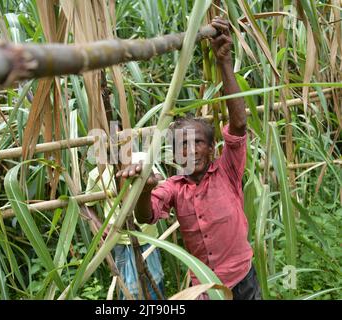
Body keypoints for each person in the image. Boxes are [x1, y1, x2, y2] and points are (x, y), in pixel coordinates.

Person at [115, 17, 261, 300]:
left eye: (197, 143)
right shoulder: (173, 187)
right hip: (206, 287)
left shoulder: (227, 171)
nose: (190, 149)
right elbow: (144, 215)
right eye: (181, 144)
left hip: (243, 278)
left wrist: (224, 61)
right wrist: (145, 187)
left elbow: (240, 125)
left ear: (212, 148)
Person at [85, 152, 165, 300]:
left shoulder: (141, 158)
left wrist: (146, 175)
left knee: (155, 286)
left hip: (147, 240)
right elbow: (86, 204)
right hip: (120, 243)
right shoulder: (97, 174)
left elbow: (159, 181)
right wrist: (99, 225)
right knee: (128, 291)